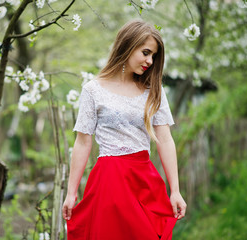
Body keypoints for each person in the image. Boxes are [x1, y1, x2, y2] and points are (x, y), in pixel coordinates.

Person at [62, 19, 187, 240]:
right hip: (109, 181)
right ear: (128, 45)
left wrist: (175, 190)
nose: (150, 61)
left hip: (144, 181)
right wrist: (71, 193)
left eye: (153, 56)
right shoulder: (93, 90)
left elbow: (165, 140)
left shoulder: (153, 91)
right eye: (146, 52)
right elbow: (83, 142)